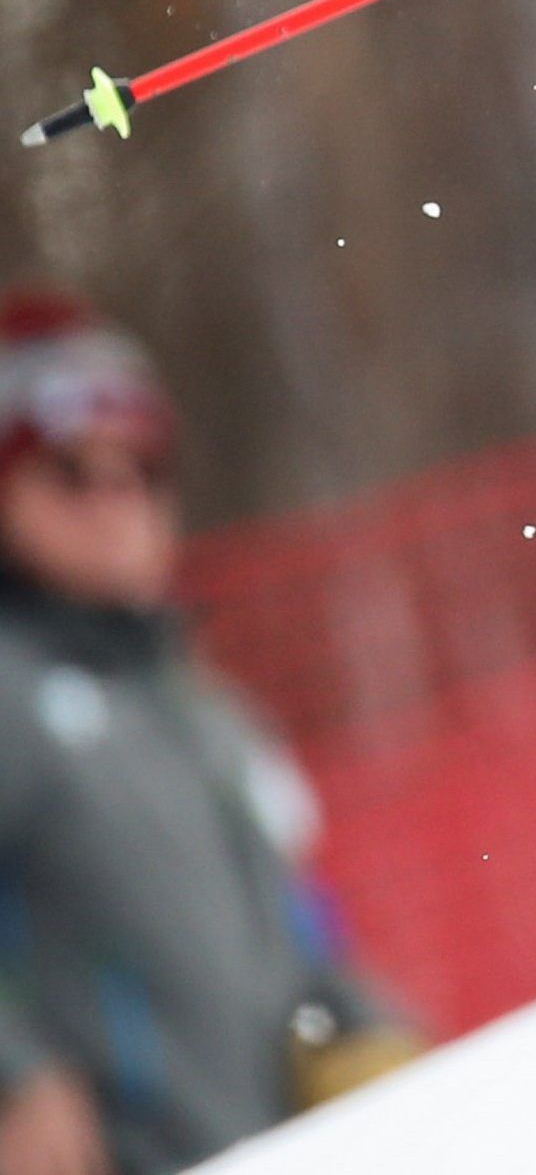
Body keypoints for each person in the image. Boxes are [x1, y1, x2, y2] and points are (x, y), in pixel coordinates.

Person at [0, 293, 413, 1175]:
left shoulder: (211, 714)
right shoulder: (11, 695)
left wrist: (373, 1040)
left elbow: (298, 939)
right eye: (69, 470)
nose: (114, 500)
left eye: (141, 469)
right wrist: (14, 1076)